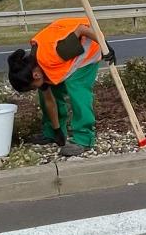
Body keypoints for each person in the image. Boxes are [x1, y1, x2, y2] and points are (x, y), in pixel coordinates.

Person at [7, 17, 114, 156]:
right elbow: (49, 101)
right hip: (67, 52)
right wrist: (57, 130)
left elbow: (82, 29)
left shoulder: (59, 52)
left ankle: (84, 139)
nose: (35, 89)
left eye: (32, 87)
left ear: (36, 75)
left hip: (89, 45)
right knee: (52, 90)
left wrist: (105, 45)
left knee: (77, 89)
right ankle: (51, 133)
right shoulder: (34, 66)